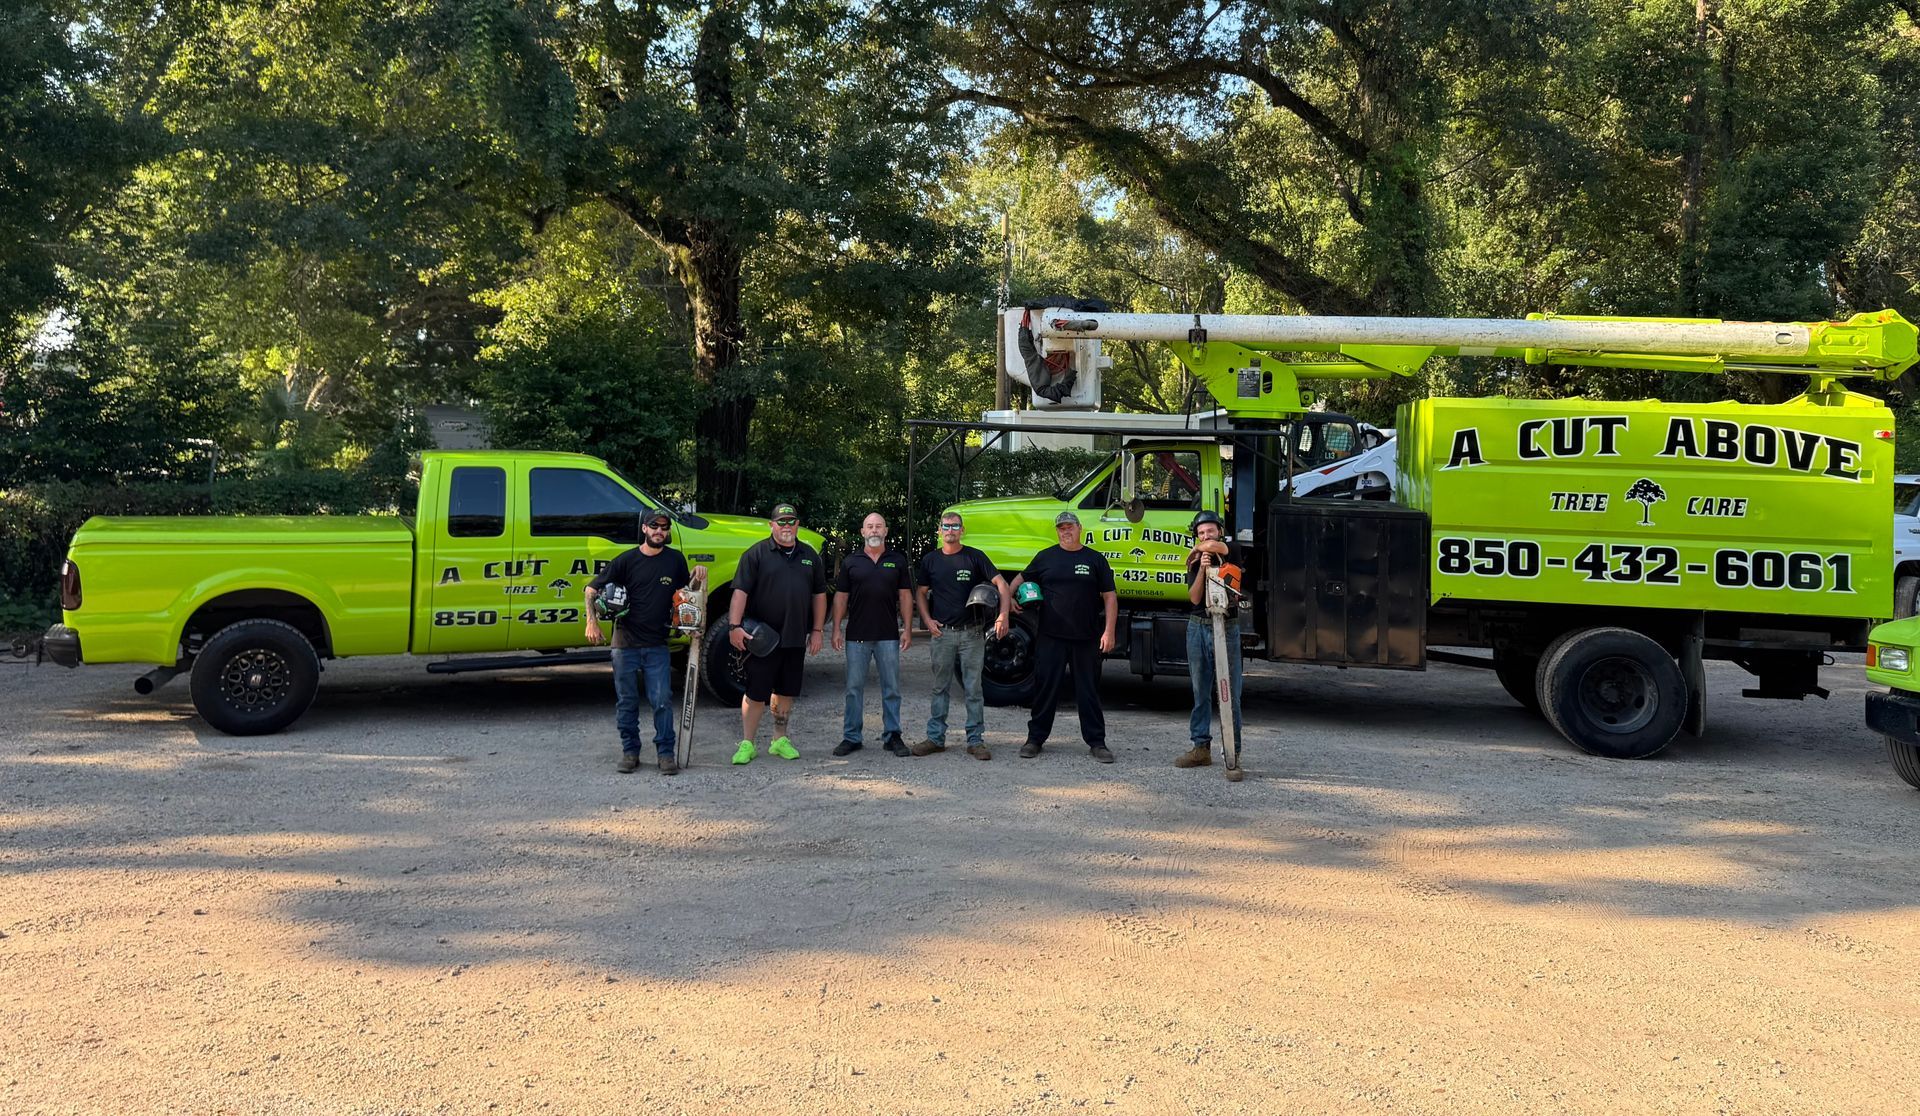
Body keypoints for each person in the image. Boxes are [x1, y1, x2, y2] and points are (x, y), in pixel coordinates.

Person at [583, 510, 706, 776]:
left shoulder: (674, 560)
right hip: (624, 643)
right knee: (627, 701)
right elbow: (591, 590)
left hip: (657, 644)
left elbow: (684, 595)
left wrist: (697, 577)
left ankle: (665, 754)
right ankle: (630, 752)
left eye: (664, 527)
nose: (659, 531)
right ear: (644, 529)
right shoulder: (626, 560)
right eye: (654, 526)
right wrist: (591, 622)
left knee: (661, 700)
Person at [1009, 511, 1118, 763]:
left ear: (1080, 528)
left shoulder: (1095, 559)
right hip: (1051, 637)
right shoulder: (1045, 557)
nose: (1065, 531)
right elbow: (1020, 578)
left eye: (1070, 527)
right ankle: (1035, 739)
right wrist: (1009, 599)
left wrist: (1109, 631)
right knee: (1045, 689)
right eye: (1061, 528)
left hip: (1086, 638)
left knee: (1088, 692)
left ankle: (1097, 743)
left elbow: (1110, 596)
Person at [727, 502, 828, 764]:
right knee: (755, 693)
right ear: (771, 525)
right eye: (781, 522)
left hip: (795, 637)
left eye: (791, 521)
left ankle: (779, 740)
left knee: (786, 690)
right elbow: (740, 593)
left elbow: (819, 595)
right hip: (762, 638)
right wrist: (734, 627)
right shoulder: (755, 554)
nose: (786, 526)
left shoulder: (809, 555)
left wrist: (817, 630)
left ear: (797, 524)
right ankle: (747, 743)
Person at [912, 512, 1009, 760]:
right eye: (946, 526)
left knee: (973, 689)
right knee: (939, 687)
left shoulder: (975, 557)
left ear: (962, 530)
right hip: (942, 633)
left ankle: (975, 741)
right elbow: (920, 592)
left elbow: (1002, 584)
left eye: (955, 526)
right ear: (939, 530)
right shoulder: (931, 560)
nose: (950, 530)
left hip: (972, 634)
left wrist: (1003, 615)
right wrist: (927, 620)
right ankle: (935, 738)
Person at [832, 512, 914, 757]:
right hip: (856, 636)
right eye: (870, 526)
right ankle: (852, 737)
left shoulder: (897, 561)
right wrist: (835, 629)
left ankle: (893, 736)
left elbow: (905, 596)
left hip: (888, 636)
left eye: (879, 526)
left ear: (886, 531)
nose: (875, 530)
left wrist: (908, 629)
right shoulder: (851, 562)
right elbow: (841, 597)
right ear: (863, 532)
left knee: (892, 689)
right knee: (853, 689)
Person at [1178, 510, 1245, 771]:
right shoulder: (1196, 563)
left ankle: (1233, 753)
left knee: (1231, 694)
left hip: (1226, 626)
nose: (1206, 536)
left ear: (1219, 531)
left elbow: (1219, 548)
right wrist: (1203, 569)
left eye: (1210, 531)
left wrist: (1197, 549)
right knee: (1200, 692)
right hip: (1198, 626)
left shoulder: (1232, 549)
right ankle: (1200, 748)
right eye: (1201, 533)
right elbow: (1194, 598)